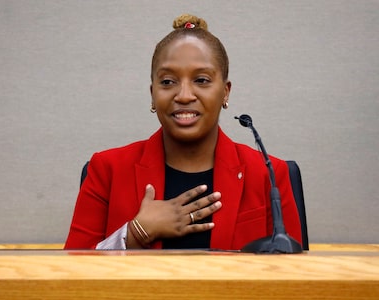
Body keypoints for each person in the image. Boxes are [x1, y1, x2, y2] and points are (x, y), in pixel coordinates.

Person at [64, 14, 302, 250]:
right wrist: (134, 234)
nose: (185, 95)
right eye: (168, 82)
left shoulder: (268, 174)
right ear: (153, 94)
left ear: (225, 92)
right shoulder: (107, 170)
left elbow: (296, 277)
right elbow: (69, 276)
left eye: (201, 80)